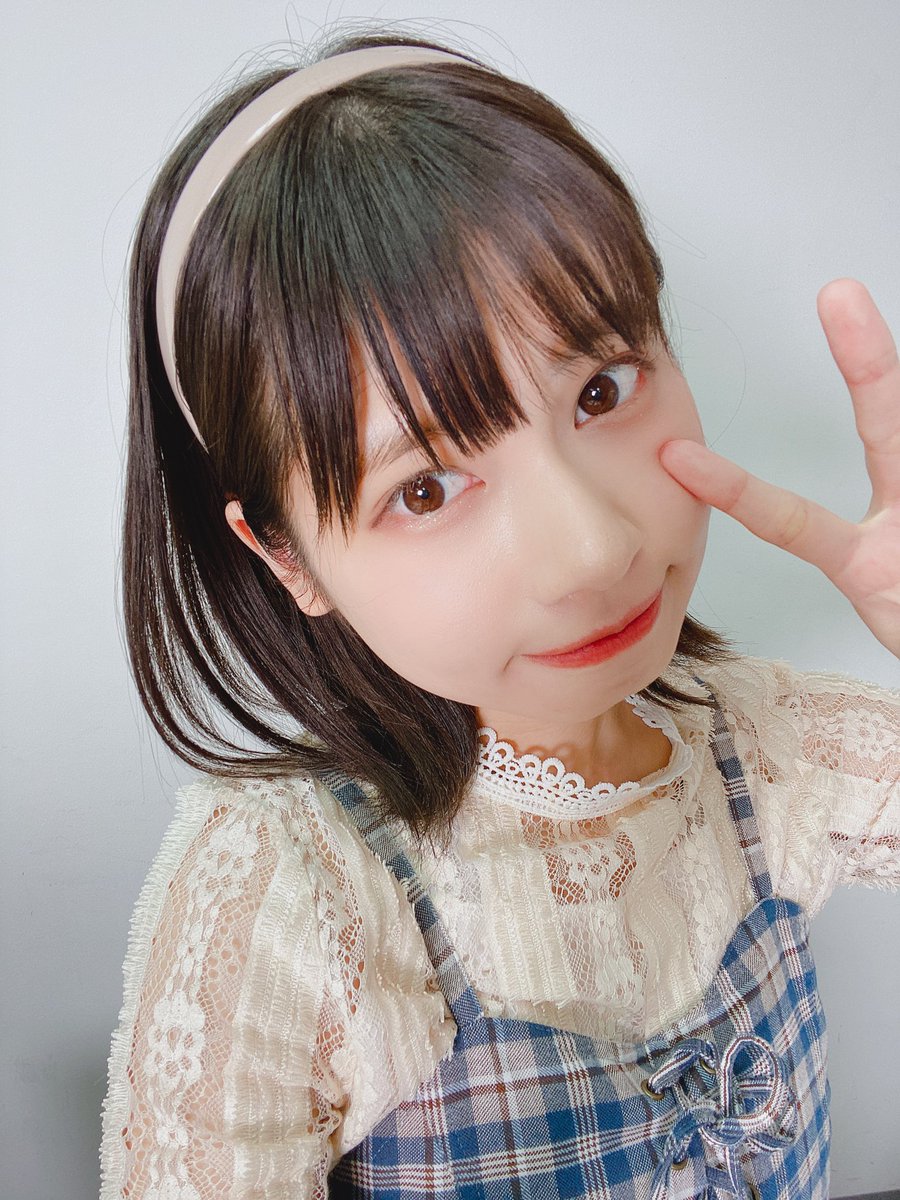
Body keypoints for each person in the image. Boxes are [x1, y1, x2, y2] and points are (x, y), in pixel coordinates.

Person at [98, 28, 900, 1200]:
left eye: (600, 390)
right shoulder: (290, 894)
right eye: (426, 488)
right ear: (284, 555)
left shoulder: (766, 748)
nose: (596, 549)